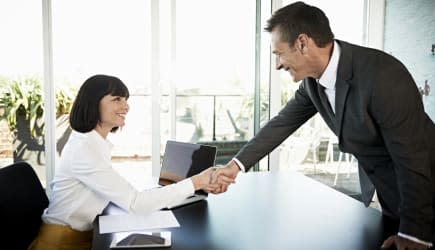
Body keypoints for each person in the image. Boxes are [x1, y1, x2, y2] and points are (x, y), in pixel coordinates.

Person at [211, 2, 435, 249]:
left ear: (302, 43)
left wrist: (415, 233)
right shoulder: (313, 85)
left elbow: (413, 159)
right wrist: (235, 165)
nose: (277, 65)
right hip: (394, 200)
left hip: (425, 197)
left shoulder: (383, 76)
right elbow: (282, 123)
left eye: (279, 54)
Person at [29, 74, 221, 250]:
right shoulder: (85, 150)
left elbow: (114, 188)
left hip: (79, 237)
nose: (126, 106)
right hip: (61, 244)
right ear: (94, 104)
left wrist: (177, 182)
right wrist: (197, 182)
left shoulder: (92, 142)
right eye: (117, 99)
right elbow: (136, 203)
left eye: (126, 99)